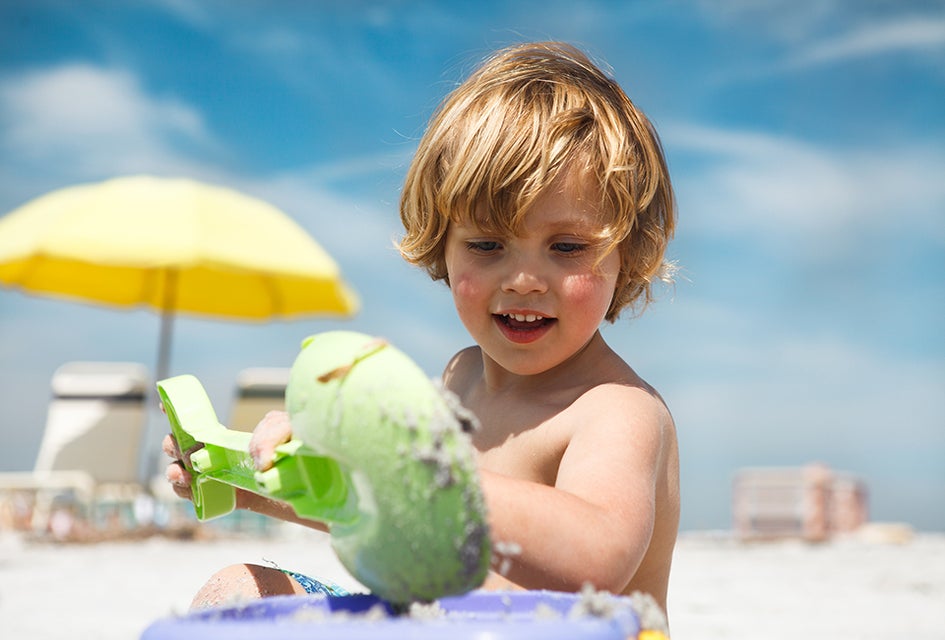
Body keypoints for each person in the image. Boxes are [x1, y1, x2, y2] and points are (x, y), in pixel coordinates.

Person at [164, 41, 679, 615]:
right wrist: (253, 483)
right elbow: (388, 507)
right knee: (237, 589)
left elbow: (599, 557)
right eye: (487, 244)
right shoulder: (460, 379)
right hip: (446, 625)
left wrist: (418, 465)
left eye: (567, 247)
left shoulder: (615, 410)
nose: (526, 279)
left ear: (626, 255)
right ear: (444, 244)